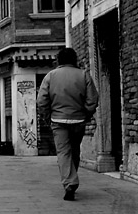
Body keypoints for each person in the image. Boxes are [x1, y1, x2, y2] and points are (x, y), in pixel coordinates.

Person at [37, 47, 99, 201]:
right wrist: (86, 113)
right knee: (75, 150)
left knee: (64, 152)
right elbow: (92, 100)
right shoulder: (84, 75)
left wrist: (47, 116)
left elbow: (41, 101)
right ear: (74, 60)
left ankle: (70, 182)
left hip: (58, 121)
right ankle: (71, 179)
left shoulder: (50, 76)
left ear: (58, 60)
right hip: (78, 120)